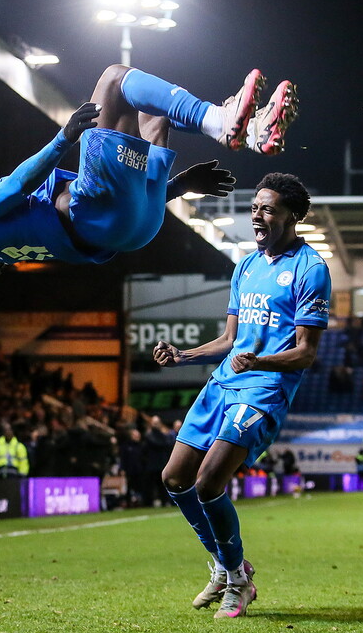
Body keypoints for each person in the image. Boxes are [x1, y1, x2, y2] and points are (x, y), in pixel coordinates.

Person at [0, 64, 299, 296]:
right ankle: (222, 121)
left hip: (135, 228)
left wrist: (178, 188)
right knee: (114, 79)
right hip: (96, 209)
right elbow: (18, 185)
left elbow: (112, 221)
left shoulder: (8, 248)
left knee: (152, 110)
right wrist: (63, 139)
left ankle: (249, 130)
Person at [153, 173, 331, 618]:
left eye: (268, 209)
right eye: (255, 207)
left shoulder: (311, 269)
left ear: (292, 216)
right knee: (174, 478)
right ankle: (226, 564)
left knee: (209, 481)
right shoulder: (246, 266)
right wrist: (184, 355)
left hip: (264, 390)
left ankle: (236, 582)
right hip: (224, 383)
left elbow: (306, 353)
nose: (257, 215)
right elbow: (231, 340)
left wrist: (262, 362)